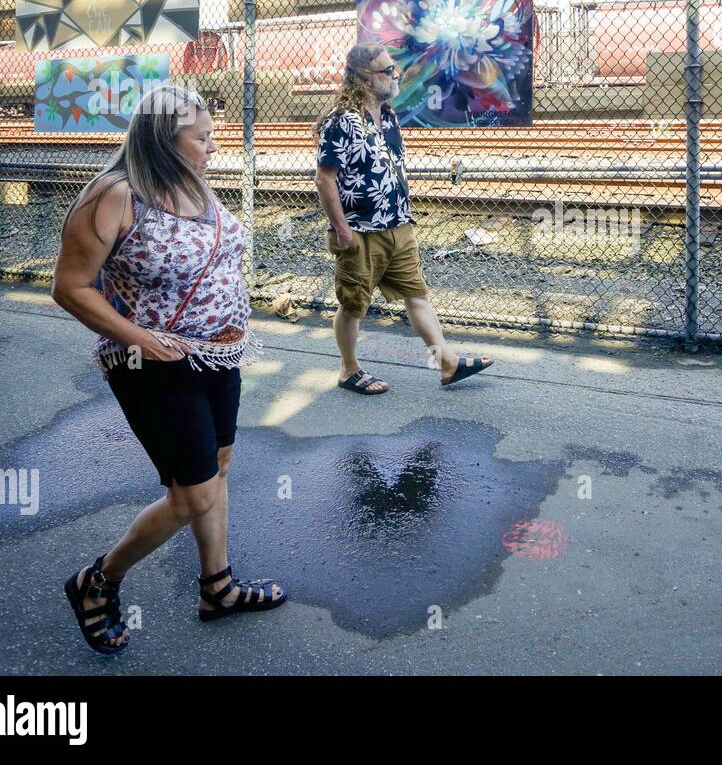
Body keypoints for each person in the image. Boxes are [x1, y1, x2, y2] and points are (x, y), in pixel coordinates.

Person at [51, 85, 284, 655]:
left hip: (220, 355)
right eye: (201, 137)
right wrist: (142, 341)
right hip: (153, 365)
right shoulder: (114, 194)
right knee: (190, 497)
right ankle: (96, 581)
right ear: (163, 139)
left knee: (217, 470)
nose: (213, 145)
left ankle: (217, 588)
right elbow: (70, 287)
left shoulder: (189, 180)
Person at [312, 44, 493, 395]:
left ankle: (447, 364)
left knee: (417, 295)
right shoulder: (341, 120)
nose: (395, 75)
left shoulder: (389, 115)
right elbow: (324, 179)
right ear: (363, 78)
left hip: (398, 225)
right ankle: (348, 370)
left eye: (393, 69)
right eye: (386, 71)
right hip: (360, 231)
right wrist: (341, 229)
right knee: (354, 305)